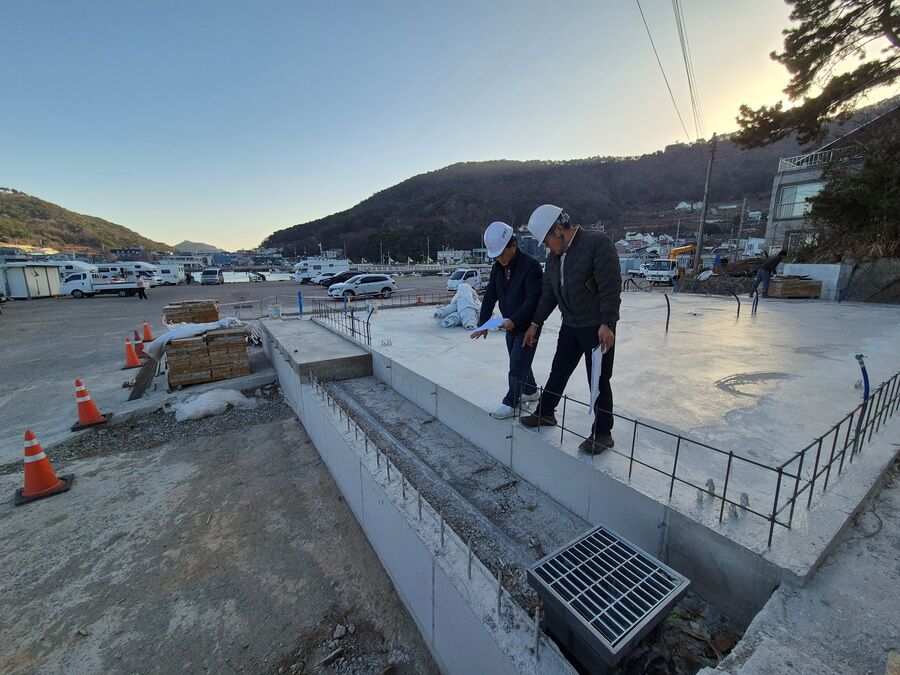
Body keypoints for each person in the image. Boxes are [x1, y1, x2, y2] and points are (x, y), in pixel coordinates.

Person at [520, 204, 621, 455]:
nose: (546, 246)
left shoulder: (597, 243)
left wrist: (607, 323)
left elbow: (610, 287)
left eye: (546, 240)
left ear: (559, 230)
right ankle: (546, 413)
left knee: (598, 378)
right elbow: (548, 294)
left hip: (597, 326)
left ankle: (602, 433)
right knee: (559, 370)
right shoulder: (554, 258)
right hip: (570, 324)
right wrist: (535, 323)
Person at [470, 221, 543, 419]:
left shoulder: (531, 266)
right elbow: (490, 295)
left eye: (502, 253)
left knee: (516, 365)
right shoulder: (498, 268)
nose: (500, 259)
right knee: (518, 359)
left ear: (513, 245)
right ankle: (531, 391)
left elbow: (532, 300)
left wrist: (515, 320)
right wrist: (483, 323)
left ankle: (511, 402)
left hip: (528, 325)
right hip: (508, 324)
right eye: (496, 255)